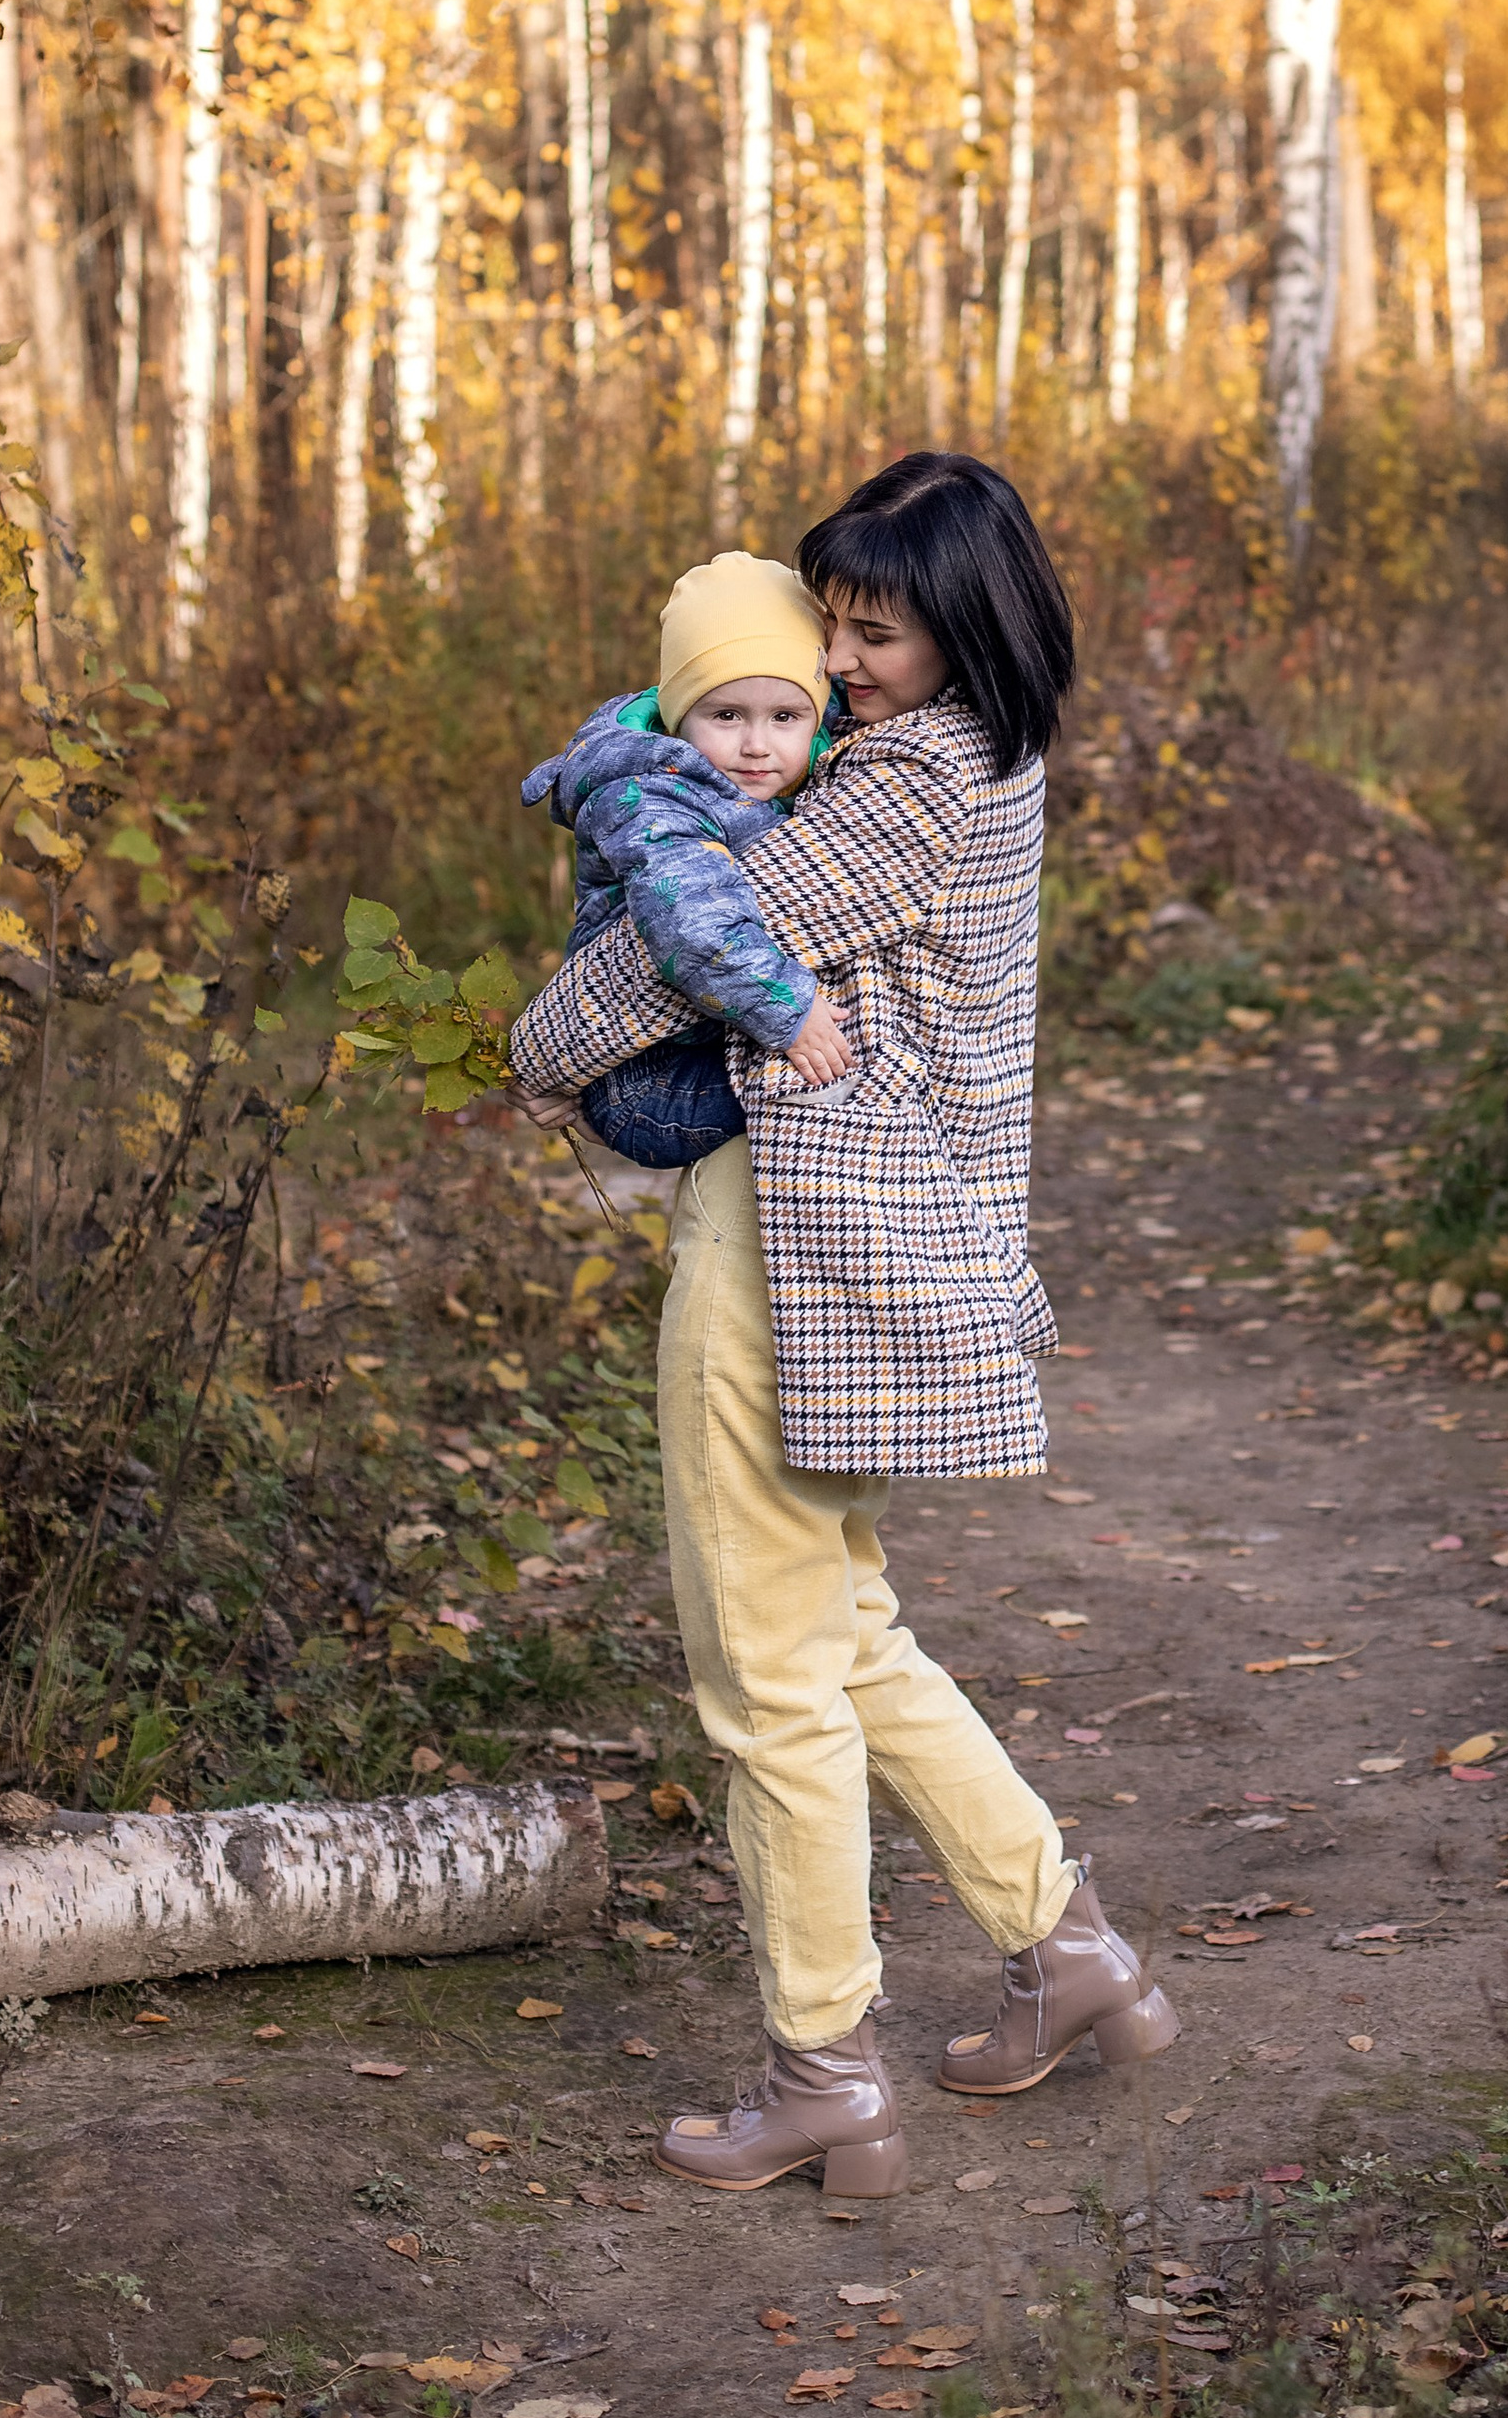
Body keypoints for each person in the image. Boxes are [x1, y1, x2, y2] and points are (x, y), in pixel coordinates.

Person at [505, 452, 1178, 2197]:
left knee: (765, 1680)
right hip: (863, 1246)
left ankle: (823, 2070)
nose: (842, 660)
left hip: (792, 1250)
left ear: (966, 626)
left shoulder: (902, 789)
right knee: (851, 1634)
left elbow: (668, 963)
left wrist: (530, 1048)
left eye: (875, 632)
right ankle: (1066, 1942)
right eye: (836, 625)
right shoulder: (979, 754)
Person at [521, 549, 851, 1171]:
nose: (757, 745)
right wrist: (789, 1007)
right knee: (853, 1083)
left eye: (785, 717)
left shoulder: (806, 758)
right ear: (678, 720)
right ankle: (599, 1122)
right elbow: (693, 926)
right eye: (725, 716)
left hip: (698, 1036)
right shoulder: (652, 797)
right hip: (650, 1081)